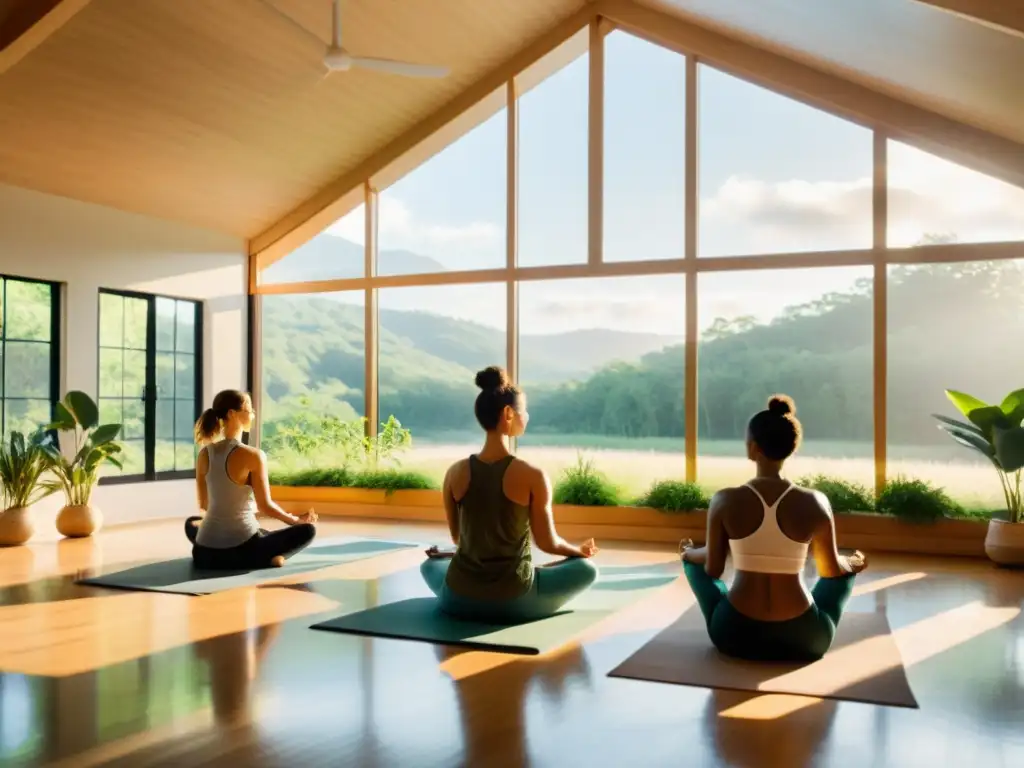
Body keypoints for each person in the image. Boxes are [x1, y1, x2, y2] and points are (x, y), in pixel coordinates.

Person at [681, 394, 868, 662]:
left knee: (695, 567)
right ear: (792, 447)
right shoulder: (816, 502)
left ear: (753, 448)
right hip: (804, 639)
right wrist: (850, 564)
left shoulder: (725, 500)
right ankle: (851, 569)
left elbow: (712, 567)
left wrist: (688, 554)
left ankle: (688, 559)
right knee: (842, 577)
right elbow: (829, 571)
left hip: (735, 634)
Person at [420, 366, 600, 623]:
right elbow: (548, 543)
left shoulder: (454, 473)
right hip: (513, 600)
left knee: (429, 566)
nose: (526, 415)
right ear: (507, 414)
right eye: (523, 410)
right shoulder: (533, 475)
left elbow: (460, 539)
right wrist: (578, 551)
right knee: (586, 569)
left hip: (458, 599)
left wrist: (448, 554)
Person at [186, 389, 318, 570]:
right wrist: (295, 522)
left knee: (191, 523)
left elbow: (205, 504)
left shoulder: (204, 453)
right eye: (248, 408)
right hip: (242, 551)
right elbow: (266, 506)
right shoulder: (253, 455)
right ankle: (271, 558)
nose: (253, 413)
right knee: (308, 531)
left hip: (203, 553)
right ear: (232, 414)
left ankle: (258, 551)